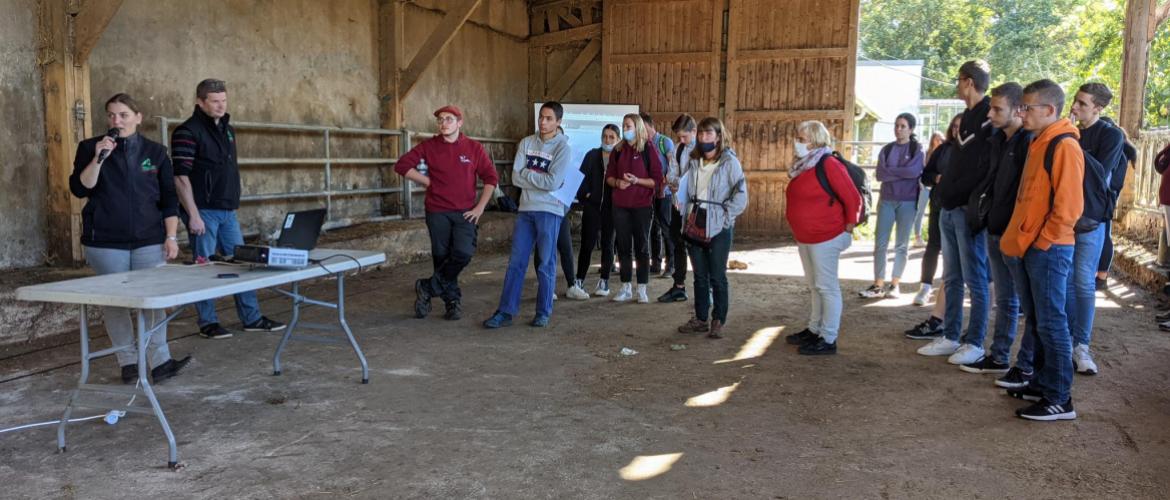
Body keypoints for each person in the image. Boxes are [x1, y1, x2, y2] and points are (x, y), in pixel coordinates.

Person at [69, 93, 191, 384]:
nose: (116, 121)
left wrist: (171, 236)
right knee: (116, 303)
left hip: (149, 239)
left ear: (138, 117)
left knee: (152, 300)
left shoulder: (156, 152)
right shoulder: (90, 147)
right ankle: (128, 362)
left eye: (123, 115)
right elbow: (80, 189)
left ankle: (160, 361)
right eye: (111, 115)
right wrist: (99, 158)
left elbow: (168, 200)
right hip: (105, 241)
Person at [172, 79, 285, 339]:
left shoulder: (227, 129)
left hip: (227, 210)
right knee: (205, 267)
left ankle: (251, 318)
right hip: (204, 211)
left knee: (244, 263)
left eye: (224, 100)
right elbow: (180, 177)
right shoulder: (186, 132)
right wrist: (193, 214)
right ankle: (208, 322)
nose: (220, 106)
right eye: (214, 101)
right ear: (200, 102)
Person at [999, 79, 1084, 421]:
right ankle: (1044, 382)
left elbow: (1068, 208)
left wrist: (1043, 242)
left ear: (1049, 110)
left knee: (1052, 324)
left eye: (1027, 108)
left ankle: (1060, 398)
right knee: (1038, 321)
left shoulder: (1063, 146)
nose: (1022, 114)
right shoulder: (1039, 141)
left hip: (1049, 249)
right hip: (1035, 246)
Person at [917, 61, 994, 364]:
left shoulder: (988, 116)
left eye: (959, 80)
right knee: (951, 277)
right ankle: (950, 335)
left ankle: (974, 341)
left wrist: (970, 201)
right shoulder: (969, 117)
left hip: (967, 210)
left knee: (976, 280)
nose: (957, 86)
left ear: (970, 82)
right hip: (948, 208)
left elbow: (984, 169)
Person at [394, 105, 498, 320]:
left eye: (449, 119)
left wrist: (480, 207)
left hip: (465, 212)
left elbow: (491, 178)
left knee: (463, 253)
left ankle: (427, 287)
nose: (444, 123)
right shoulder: (429, 146)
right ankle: (452, 302)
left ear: (460, 123)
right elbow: (402, 165)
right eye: (440, 119)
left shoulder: (473, 148)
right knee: (441, 258)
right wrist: (427, 181)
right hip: (437, 211)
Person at [958, 82, 1031, 376]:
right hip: (995, 227)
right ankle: (999, 355)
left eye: (997, 108)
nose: (991, 112)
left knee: (1026, 302)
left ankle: (1025, 365)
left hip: (1017, 231)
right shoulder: (996, 139)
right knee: (1004, 298)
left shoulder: (1028, 143)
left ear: (1018, 110)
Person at [483, 102, 572, 328]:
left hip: (550, 211)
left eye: (549, 118)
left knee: (545, 263)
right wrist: (538, 178)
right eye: (541, 117)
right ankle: (505, 311)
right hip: (525, 209)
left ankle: (543, 311)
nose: (543, 122)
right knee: (516, 262)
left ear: (558, 122)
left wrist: (528, 174)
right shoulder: (526, 142)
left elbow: (553, 182)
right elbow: (515, 178)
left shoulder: (563, 147)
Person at [781, 120, 860, 355]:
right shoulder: (805, 164)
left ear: (816, 140)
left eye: (802, 139)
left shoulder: (829, 164)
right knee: (815, 286)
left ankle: (828, 337)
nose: (797, 143)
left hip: (826, 236)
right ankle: (814, 329)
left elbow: (853, 198)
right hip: (806, 237)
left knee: (827, 287)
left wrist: (848, 228)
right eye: (797, 138)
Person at [1067, 82, 1125, 375]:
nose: (1074, 107)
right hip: (1064, 218)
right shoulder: (1069, 132)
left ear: (1098, 109)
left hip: (1091, 220)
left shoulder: (1111, 135)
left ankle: (1082, 346)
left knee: (1083, 283)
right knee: (1064, 283)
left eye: (1081, 104)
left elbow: (1099, 173)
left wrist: (1071, 143)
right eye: (1075, 102)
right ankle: (1063, 344)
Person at [675, 118, 747, 339]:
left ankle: (718, 319)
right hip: (695, 220)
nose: (704, 138)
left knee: (717, 275)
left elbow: (741, 195)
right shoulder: (694, 159)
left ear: (718, 136)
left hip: (718, 225)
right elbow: (686, 186)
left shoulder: (729, 162)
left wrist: (725, 218)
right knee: (699, 276)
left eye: (709, 134)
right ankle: (700, 318)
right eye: (701, 135)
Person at [859, 113, 924, 299]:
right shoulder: (887, 149)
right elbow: (880, 174)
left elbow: (914, 171)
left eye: (903, 126)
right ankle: (878, 284)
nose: (898, 129)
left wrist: (893, 172)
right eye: (897, 125)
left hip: (908, 201)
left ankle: (895, 284)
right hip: (887, 199)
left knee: (901, 245)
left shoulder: (916, 149)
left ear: (911, 129)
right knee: (880, 243)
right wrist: (902, 173)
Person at [605, 113, 666, 303]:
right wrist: (617, 183)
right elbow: (609, 176)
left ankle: (642, 288)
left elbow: (657, 180)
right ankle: (625, 287)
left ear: (638, 127)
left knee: (642, 247)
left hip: (642, 206)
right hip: (620, 206)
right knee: (623, 247)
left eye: (628, 126)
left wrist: (637, 181)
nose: (625, 130)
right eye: (623, 126)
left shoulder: (649, 149)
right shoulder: (618, 149)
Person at [909, 115, 962, 311]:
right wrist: (936, 177)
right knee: (933, 245)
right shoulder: (943, 149)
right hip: (939, 204)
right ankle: (925, 286)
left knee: (957, 251)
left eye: (961, 127)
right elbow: (926, 175)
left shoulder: (973, 150)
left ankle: (950, 289)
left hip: (961, 208)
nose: (957, 130)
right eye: (954, 126)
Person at [568, 125, 621, 299]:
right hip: (592, 207)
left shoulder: (620, 157)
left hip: (612, 208)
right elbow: (579, 178)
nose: (607, 140)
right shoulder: (592, 155)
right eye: (605, 136)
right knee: (587, 244)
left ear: (618, 139)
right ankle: (579, 279)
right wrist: (587, 195)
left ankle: (604, 280)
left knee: (608, 244)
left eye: (611, 137)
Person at [658, 114, 697, 303]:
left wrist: (681, 183)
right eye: (679, 137)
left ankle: (704, 289)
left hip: (697, 208)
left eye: (685, 137)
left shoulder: (703, 151)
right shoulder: (679, 149)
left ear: (694, 132)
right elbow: (672, 172)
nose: (681, 140)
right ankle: (679, 286)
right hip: (678, 204)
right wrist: (673, 183)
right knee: (677, 242)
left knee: (697, 247)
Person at [640, 112, 676, 277]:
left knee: (666, 228)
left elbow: (672, 167)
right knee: (653, 229)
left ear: (649, 125)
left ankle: (671, 265)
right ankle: (656, 263)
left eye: (642, 126)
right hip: (649, 193)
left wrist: (663, 187)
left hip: (664, 193)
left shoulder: (664, 142)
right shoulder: (643, 144)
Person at [913, 131, 945, 247]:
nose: (939, 141)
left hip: (937, 189)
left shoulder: (944, 153)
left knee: (937, 213)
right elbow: (921, 170)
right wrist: (921, 184)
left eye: (941, 139)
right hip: (925, 187)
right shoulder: (927, 154)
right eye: (936, 139)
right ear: (932, 141)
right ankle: (917, 237)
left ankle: (939, 238)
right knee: (920, 211)